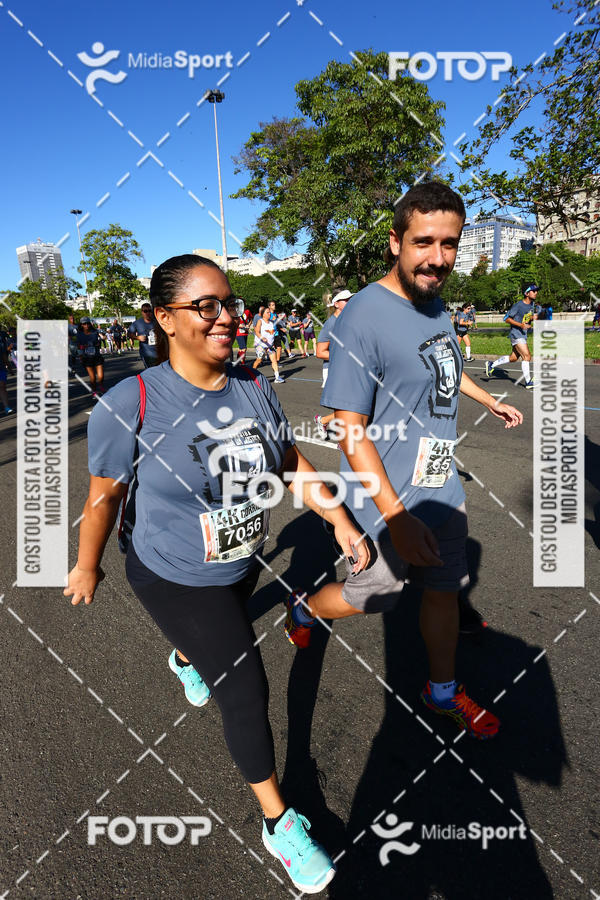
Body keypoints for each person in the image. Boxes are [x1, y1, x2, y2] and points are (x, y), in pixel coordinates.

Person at [64, 253, 370, 893]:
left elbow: (287, 459)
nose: (226, 317)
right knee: (243, 686)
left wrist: (339, 519)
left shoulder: (255, 387)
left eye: (229, 304)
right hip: (169, 570)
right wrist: (87, 564)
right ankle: (278, 822)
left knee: (213, 631)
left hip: (238, 562)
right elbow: (104, 496)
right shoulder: (133, 402)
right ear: (164, 319)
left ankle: (184, 657)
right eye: (206, 306)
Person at [284, 181, 523, 741]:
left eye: (450, 244)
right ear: (395, 242)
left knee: (443, 590)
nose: (437, 259)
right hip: (383, 501)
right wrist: (394, 514)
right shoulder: (361, 316)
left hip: (441, 489)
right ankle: (304, 607)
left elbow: (444, 366)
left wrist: (489, 399)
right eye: (423, 242)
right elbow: (347, 428)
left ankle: (441, 691)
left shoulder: (436, 306)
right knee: (375, 596)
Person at [314, 290, 352, 440]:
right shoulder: (330, 325)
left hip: (349, 368)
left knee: (353, 406)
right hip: (334, 370)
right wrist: (344, 356)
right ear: (336, 304)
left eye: (350, 299)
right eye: (346, 300)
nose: (349, 302)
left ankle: (323, 421)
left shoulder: (349, 320)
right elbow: (320, 352)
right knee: (349, 408)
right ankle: (343, 441)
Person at [485, 285, 539, 388]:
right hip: (516, 334)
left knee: (513, 358)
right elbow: (506, 318)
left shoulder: (531, 304)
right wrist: (521, 325)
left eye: (536, 291)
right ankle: (528, 382)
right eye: (534, 291)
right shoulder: (519, 305)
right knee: (527, 356)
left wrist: (532, 318)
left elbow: (525, 317)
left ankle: (491, 364)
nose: (536, 293)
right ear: (527, 293)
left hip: (522, 334)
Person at [253, 308, 285, 383]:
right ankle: (252, 374)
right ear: (263, 314)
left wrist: (272, 343)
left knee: (274, 360)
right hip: (260, 345)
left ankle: (277, 377)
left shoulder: (271, 323)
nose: (269, 314)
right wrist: (262, 337)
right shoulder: (260, 321)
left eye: (270, 312)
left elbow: (272, 334)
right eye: (267, 312)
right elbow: (257, 331)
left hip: (269, 346)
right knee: (259, 360)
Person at [78, 317, 105, 397]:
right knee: (92, 377)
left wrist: (98, 343)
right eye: (84, 324)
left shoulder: (95, 332)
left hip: (97, 355)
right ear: (81, 325)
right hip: (87, 357)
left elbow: (101, 339)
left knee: (101, 376)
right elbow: (79, 346)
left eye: (87, 323)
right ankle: (94, 391)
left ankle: (101, 387)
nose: (86, 325)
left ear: (90, 324)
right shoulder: (80, 334)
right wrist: (81, 356)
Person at [129, 303, 159, 368]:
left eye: (149, 311)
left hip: (160, 351)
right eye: (145, 311)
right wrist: (137, 337)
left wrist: (159, 336)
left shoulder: (157, 321)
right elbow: (129, 334)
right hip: (147, 353)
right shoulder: (137, 323)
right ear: (142, 312)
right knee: (151, 372)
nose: (147, 313)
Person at [0, 330, 12, 414]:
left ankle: (7, 407)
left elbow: (4, 356)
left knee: (2, 386)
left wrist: (9, 368)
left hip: (1, 367)